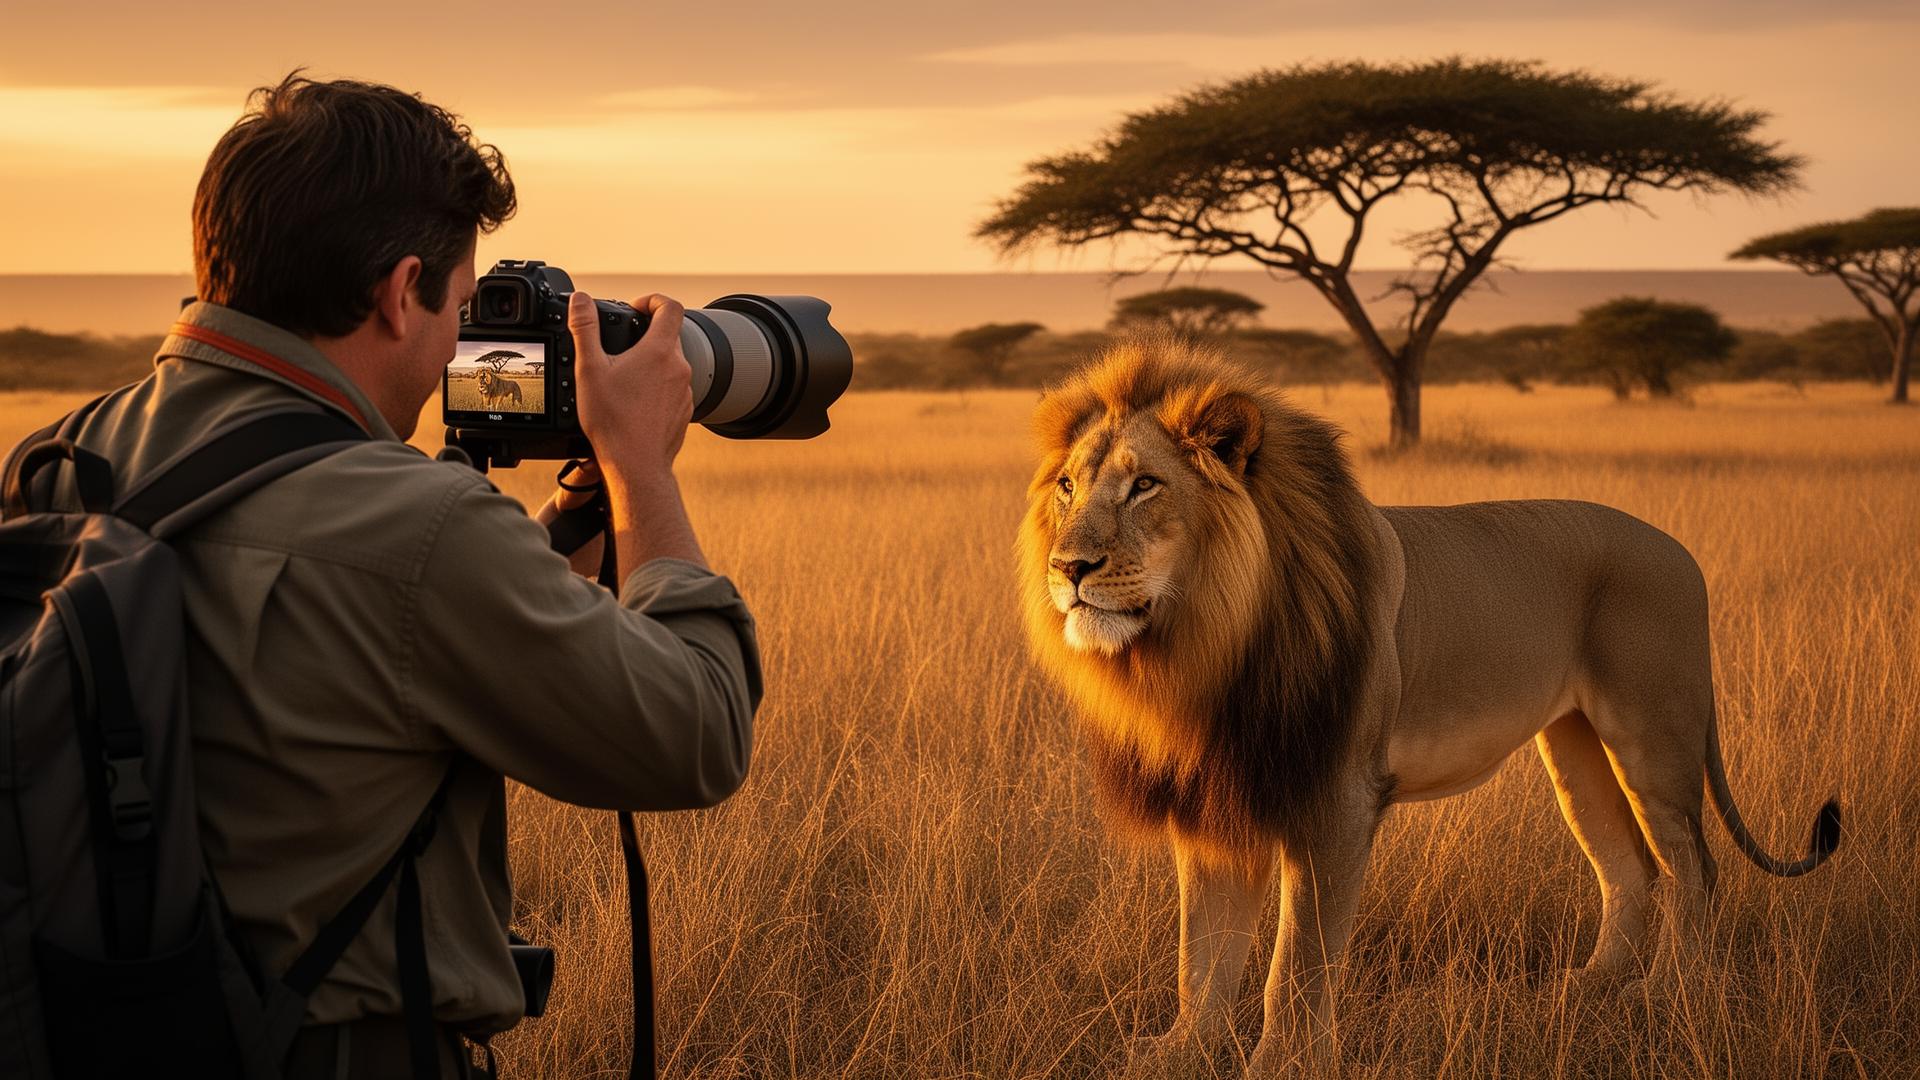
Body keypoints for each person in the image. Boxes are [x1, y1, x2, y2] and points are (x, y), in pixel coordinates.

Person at [13, 74, 760, 1076]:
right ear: (400, 293)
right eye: (458, 304)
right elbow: (698, 734)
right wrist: (639, 471)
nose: (460, 343)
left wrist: (574, 514)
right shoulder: (417, 526)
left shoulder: (56, 462)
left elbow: (350, 637)